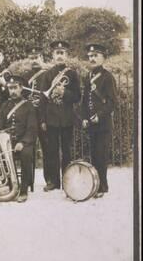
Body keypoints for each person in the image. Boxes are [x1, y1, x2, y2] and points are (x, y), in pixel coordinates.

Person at [38, 40, 81, 192]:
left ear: (67, 55)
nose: (60, 56)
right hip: (51, 119)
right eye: (57, 53)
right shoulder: (47, 74)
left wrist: (65, 93)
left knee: (67, 151)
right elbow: (43, 99)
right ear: (53, 55)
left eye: (62, 53)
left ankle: (67, 180)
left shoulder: (72, 74)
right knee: (51, 151)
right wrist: (42, 119)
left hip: (67, 118)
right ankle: (54, 181)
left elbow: (77, 96)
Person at [81, 43, 118, 198]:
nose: (92, 59)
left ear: (103, 57)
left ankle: (103, 186)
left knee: (100, 155)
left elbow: (112, 102)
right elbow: (85, 101)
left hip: (102, 124)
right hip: (90, 123)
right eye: (90, 56)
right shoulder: (87, 77)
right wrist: (83, 117)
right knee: (93, 155)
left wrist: (100, 115)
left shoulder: (107, 77)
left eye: (95, 56)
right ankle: (95, 185)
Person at [0, 75, 38, 202]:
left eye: (15, 88)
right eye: (10, 88)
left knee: (26, 155)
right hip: (7, 142)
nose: (12, 91)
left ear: (21, 88)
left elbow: (32, 129)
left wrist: (23, 142)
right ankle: (3, 188)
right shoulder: (5, 105)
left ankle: (23, 190)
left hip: (23, 142)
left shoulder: (28, 106)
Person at [21, 46, 50, 187]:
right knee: (28, 149)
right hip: (29, 118)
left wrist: (41, 100)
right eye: (31, 58)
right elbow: (22, 97)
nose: (34, 60)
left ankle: (49, 180)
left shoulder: (48, 74)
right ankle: (28, 181)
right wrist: (29, 101)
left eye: (36, 57)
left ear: (42, 58)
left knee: (47, 148)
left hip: (44, 116)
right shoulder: (25, 77)